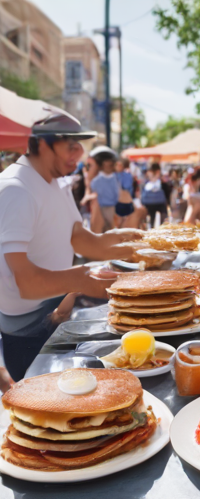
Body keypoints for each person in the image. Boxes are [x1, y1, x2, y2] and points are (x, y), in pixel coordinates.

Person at [0, 112, 140, 381]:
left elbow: (83, 240)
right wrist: (82, 280)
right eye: (71, 145)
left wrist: (134, 243)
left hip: (61, 318)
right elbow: (26, 283)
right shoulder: (16, 189)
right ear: (42, 144)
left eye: (80, 145)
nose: (79, 151)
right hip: (30, 336)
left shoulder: (56, 182)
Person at [89, 146, 120, 232]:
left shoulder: (116, 179)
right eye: (105, 161)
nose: (108, 165)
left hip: (112, 208)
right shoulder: (95, 181)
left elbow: (117, 195)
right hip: (99, 209)